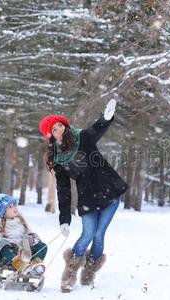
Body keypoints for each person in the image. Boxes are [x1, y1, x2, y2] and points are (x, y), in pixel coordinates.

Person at [39, 99, 129, 292]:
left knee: (98, 235)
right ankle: (69, 276)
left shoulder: (83, 138)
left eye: (59, 125)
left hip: (109, 192)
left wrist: (106, 117)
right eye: (54, 129)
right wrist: (64, 219)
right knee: (87, 233)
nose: (59, 130)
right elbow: (63, 190)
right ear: (50, 135)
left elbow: (97, 129)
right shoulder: (58, 159)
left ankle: (88, 273)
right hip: (87, 198)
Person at [0, 194, 48, 278]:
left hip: (22, 254)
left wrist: (32, 239)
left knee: (42, 246)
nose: (14, 208)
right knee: (3, 245)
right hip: (6, 258)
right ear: (3, 212)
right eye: (10, 207)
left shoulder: (21, 221)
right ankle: (22, 266)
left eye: (15, 205)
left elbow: (32, 234)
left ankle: (34, 266)